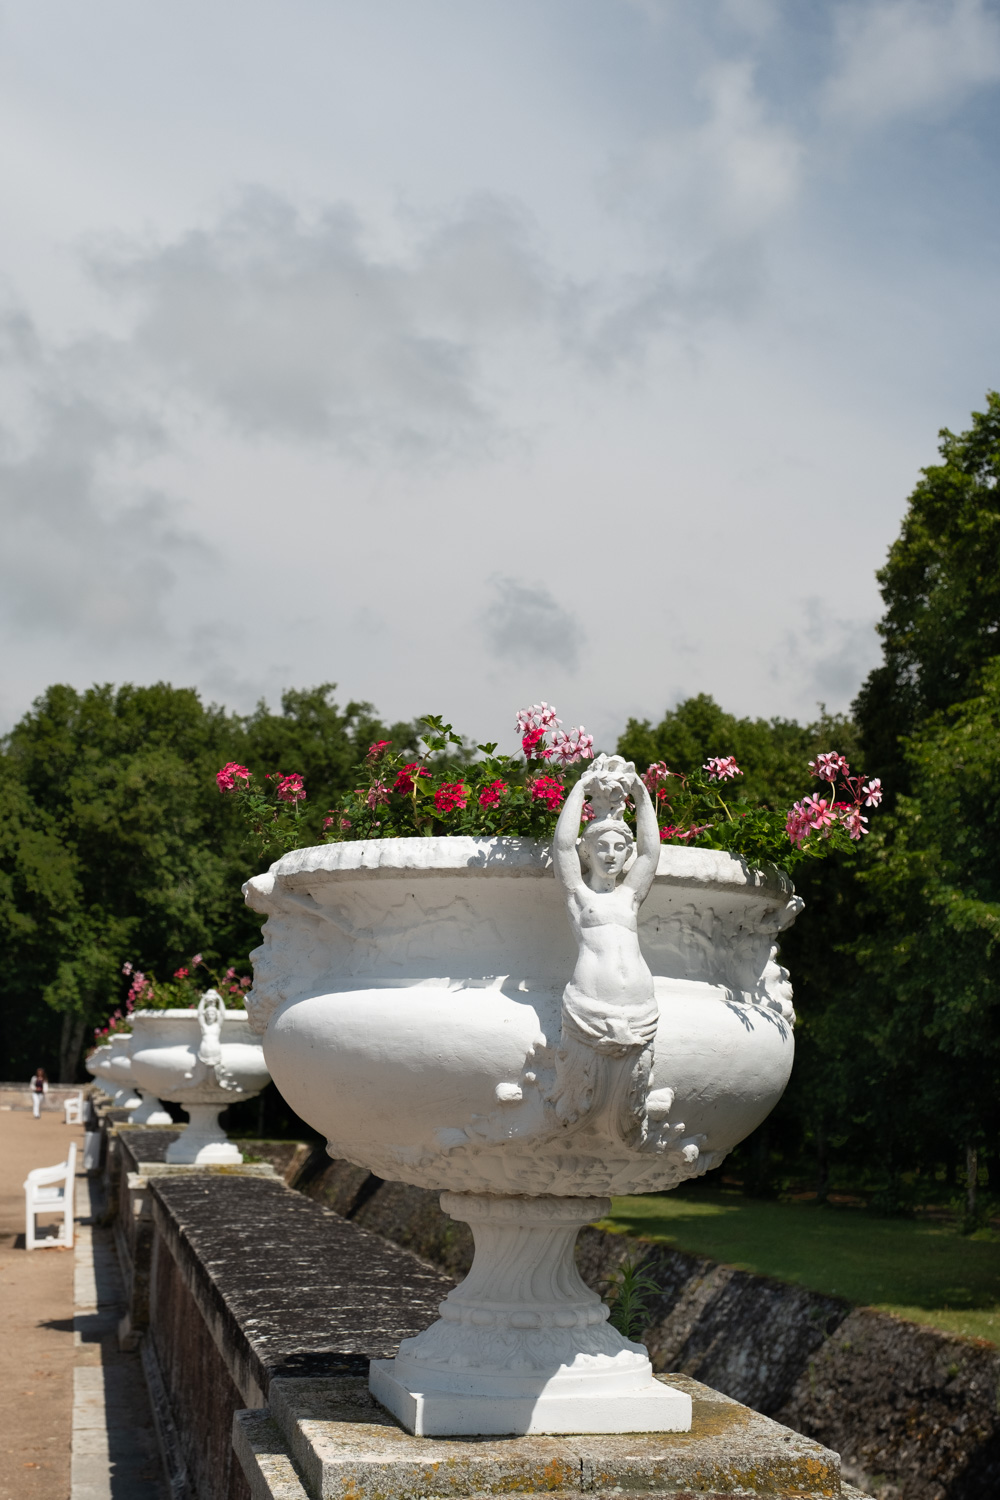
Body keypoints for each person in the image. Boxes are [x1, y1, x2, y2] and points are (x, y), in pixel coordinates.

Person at [549, 754, 660, 1147]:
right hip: (590, 1009)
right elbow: (562, 847)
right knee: (580, 1095)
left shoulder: (630, 897)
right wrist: (580, 788)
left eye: (618, 847)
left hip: (640, 1008)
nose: (611, 854)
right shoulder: (579, 896)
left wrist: (642, 796)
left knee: (631, 1098)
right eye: (602, 846)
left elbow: (650, 853)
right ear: (588, 851)